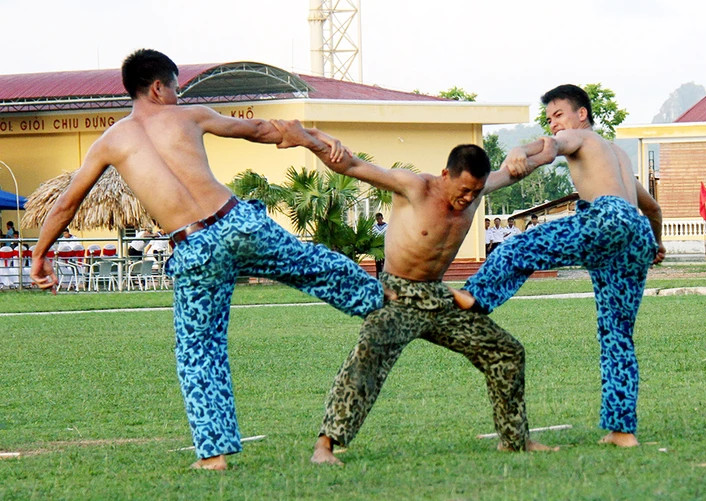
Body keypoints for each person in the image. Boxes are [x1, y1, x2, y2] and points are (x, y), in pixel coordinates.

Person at [29, 49, 385, 471]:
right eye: (176, 88)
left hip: (194, 246)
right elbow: (257, 129)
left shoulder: (109, 142)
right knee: (313, 264)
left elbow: (67, 204)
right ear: (158, 87)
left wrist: (39, 255)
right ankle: (385, 301)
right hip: (237, 224)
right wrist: (311, 137)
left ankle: (214, 455)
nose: (178, 96)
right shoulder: (190, 116)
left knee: (199, 349)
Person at [272, 121, 558, 466]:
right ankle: (326, 445)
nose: (469, 198)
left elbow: (525, 165)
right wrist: (307, 139)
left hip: (440, 298)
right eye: (464, 190)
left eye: (476, 191)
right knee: (367, 356)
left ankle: (514, 440)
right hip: (398, 296)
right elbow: (350, 164)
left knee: (507, 351)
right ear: (446, 174)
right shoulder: (413, 187)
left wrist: (537, 148)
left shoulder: (478, 190)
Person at [454, 84, 666, 448]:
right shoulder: (618, 156)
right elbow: (653, 209)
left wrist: (521, 150)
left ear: (581, 114)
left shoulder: (580, 137)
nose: (554, 124)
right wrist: (657, 244)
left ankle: (475, 296)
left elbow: (551, 147)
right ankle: (622, 431)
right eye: (549, 119)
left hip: (608, 218)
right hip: (636, 235)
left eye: (558, 115)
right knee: (616, 333)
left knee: (520, 245)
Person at [371, 212, 388, 279]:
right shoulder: (374, 227)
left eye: (380, 218)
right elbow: (372, 236)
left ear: (382, 218)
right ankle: (378, 278)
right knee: (378, 265)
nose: (379, 220)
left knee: (385, 264)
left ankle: (385, 278)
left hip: (384, 247)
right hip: (377, 248)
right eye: (377, 219)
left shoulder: (387, 226)